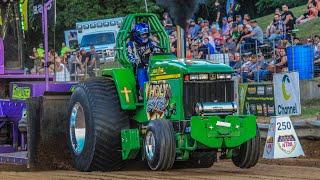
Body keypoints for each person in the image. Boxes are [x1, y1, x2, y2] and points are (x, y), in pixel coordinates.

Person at [127, 23, 160, 99]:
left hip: (151, 65)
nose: (145, 36)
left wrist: (155, 50)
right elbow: (129, 56)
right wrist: (136, 61)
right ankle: (144, 91)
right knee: (142, 70)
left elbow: (158, 50)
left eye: (146, 34)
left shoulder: (150, 43)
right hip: (137, 67)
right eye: (143, 35)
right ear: (137, 34)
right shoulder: (131, 44)